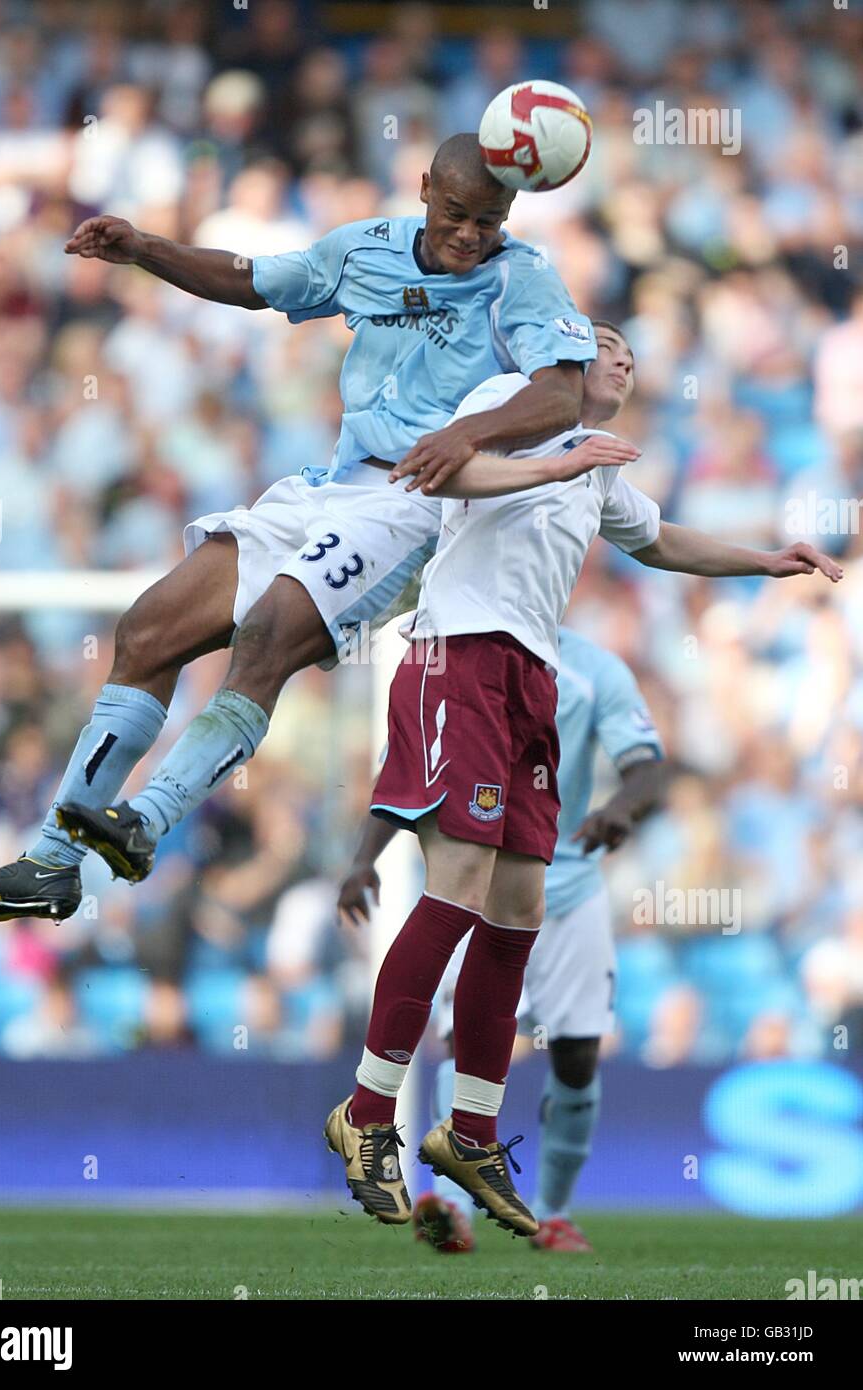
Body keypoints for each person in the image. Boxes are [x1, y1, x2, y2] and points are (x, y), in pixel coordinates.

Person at [0, 135, 604, 926]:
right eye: (456, 214)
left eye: (487, 221)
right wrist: (146, 248)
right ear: (423, 189)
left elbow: (563, 395)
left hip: (419, 501)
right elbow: (252, 283)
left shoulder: (521, 278)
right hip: (324, 488)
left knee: (269, 634)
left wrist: (469, 434)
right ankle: (51, 863)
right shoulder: (367, 249)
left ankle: (145, 823)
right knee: (148, 630)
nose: (469, 234)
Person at [323, 323, 842, 1234]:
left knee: (519, 903)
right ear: (561, 359)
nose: (625, 358)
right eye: (605, 344)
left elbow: (662, 542)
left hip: (530, 673)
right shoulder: (509, 407)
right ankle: (366, 1114)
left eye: (632, 354)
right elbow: (438, 473)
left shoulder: (599, 468)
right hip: (461, 653)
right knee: (462, 883)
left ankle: (472, 1129)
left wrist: (764, 562)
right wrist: (556, 464)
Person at [339, 625, 668, 1255]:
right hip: (479, 879)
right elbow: (404, 765)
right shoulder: (464, 658)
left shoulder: (594, 668)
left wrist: (621, 808)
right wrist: (364, 858)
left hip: (569, 891)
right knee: (464, 1036)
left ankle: (555, 1212)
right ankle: (452, 1203)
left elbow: (649, 767)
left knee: (575, 1057)